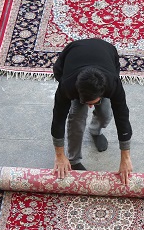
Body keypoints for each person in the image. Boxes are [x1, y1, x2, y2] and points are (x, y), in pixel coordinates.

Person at [51, 38, 133, 185]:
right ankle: (74, 160)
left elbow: (122, 117)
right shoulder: (67, 86)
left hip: (106, 56)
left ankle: (95, 131)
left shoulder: (113, 83)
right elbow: (58, 118)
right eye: (87, 103)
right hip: (70, 64)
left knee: (105, 114)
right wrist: (59, 155)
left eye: (93, 103)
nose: (90, 107)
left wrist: (125, 158)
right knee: (77, 117)